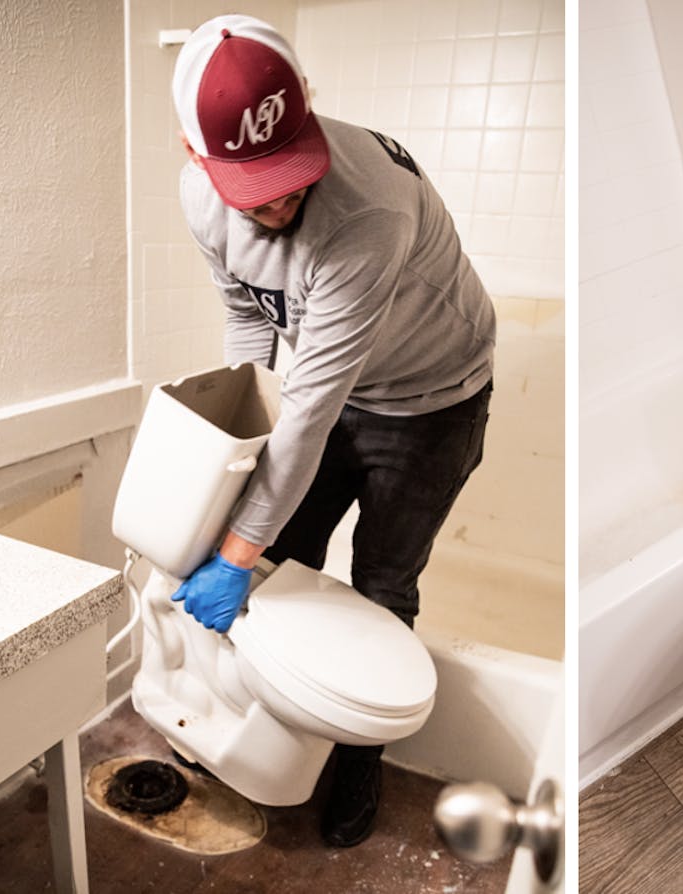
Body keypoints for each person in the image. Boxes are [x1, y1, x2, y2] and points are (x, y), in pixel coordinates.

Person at [167, 15, 495, 848]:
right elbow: (251, 318)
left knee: (382, 584)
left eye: (291, 176)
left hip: (431, 401)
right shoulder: (200, 198)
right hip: (335, 382)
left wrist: (234, 552)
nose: (281, 201)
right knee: (285, 559)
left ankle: (358, 759)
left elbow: (312, 407)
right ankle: (281, 722)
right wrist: (242, 440)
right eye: (255, 187)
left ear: (307, 103)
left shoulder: (366, 210)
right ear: (194, 154)